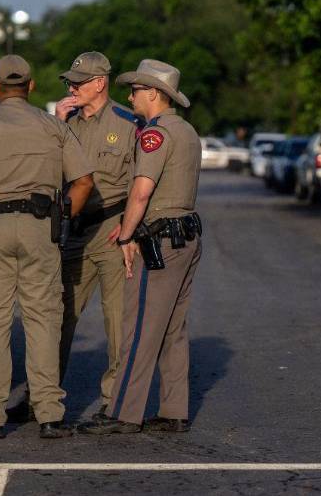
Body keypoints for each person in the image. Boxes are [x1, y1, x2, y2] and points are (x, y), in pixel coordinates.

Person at [0, 55, 94, 439]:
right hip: (40, 227)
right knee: (43, 320)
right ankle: (49, 414)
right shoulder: (53, 126)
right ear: (31, 86)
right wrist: (62, 217)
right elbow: (84, 182)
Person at [7, 52, 144, 424]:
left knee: (118, 321)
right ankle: (41, 397)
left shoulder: (128, 123)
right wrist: (56, 124)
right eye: (69, 82)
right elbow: (43, 171)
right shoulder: (62, 124)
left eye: (78, 82)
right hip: (73, 232)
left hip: (113, 229)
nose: (71, 88)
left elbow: (144, 180)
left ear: (100, 83)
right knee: (55, 317)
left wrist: (132, 227)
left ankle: (115, 401)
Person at [78, 59, 202, 435]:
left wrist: (126, 235)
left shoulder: (155, 134)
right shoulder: (187, 130)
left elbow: (141, 191)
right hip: (186, 234)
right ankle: (174, 410)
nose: (130, 97)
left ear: (153, 93)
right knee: (172, 328)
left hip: (159, 239)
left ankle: (122, 412)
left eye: (135, 90)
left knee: (139, 329)